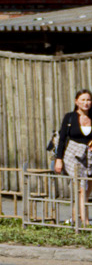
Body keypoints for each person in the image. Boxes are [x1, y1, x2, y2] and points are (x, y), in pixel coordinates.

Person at [52, 88, 92, 225]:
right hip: (72, 155)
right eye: (83, 100)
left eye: (88, 100)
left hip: (89, 156)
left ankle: (75, 218)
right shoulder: (69, 117)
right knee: (81, 186)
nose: (86, 103)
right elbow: (62, 139)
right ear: (77, 102)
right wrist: (58, 159)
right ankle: (85, 222)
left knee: (87, 188)